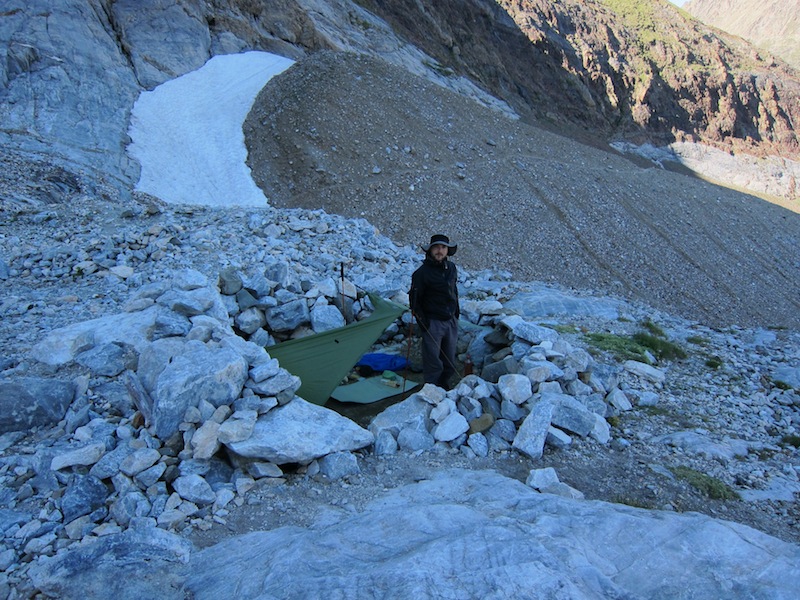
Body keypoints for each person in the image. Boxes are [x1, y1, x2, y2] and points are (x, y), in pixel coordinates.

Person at [409, 234, 460, 389]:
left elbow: (454, 291)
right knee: (433, 361)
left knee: (449, 359)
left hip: (450, 320)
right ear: (430, 250)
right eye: (436, 247)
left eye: (443, 247)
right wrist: (423, 323)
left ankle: (444, 386)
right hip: (433, 322)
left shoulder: (451, 268)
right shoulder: (421, 273)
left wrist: (456, 313)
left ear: (447, 250)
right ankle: (432, 389)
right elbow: (414, 300)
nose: (440, 251)